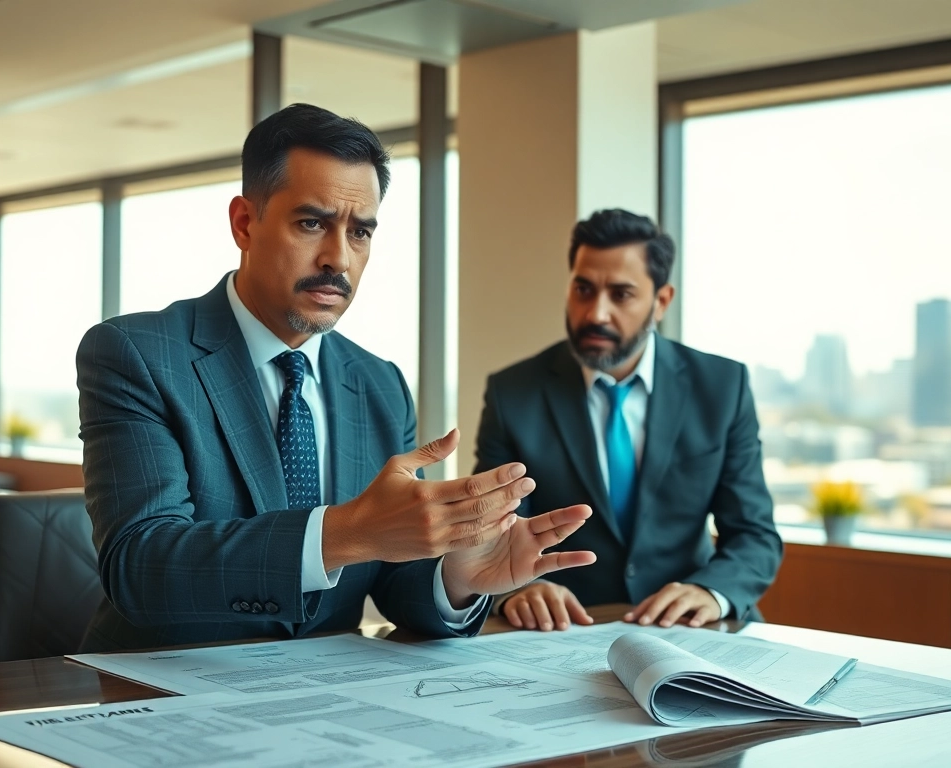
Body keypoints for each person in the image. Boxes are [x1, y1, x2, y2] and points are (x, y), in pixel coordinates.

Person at [76, 104, 594, 652]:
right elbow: (142, 566)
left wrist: (457, 577)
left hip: (322, 700)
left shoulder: (380, 384)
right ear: (244, 223)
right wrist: (348, 532)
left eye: (361, 232)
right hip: (153, 694)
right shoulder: (135, 353)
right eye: (312, 223)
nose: (339, 259)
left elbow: (393, 577)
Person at [474, 209, 782, 632]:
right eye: (584, 289)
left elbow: (754, 534)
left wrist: (711, 591)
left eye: (621, 294)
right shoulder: (513, 393)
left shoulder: (722, 387)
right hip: (561, 630)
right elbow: (495, 529)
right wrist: (516, 587)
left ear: (661, 301)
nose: (596, 313)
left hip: (692, 628)